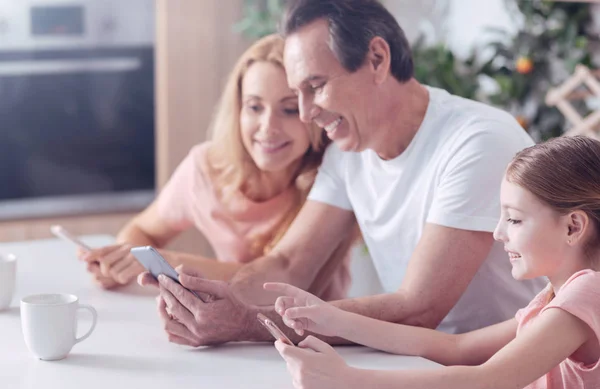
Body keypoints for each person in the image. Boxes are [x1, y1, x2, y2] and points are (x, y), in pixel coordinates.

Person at [140, 0, 545, 346]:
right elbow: (287, 263)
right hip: (414, 361)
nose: (305, 113)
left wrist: (247, 323)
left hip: (503, 371)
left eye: (315, 86)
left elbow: (419, 308)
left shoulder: (477, 141)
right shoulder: (350, 150)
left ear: (377, 59)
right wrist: (209, 302)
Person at [268, 135, 600, 389]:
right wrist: (331, 318)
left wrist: (345, 381)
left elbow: (484, 385)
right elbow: (455, 348)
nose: (498, 233)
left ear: (573, 227)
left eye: (513, 219)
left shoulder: (587, 293)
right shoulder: (554, 297)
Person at [79, 34, 354, 311]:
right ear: (237, 110)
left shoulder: (334, 176)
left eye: (289, 109)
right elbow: (142, 230)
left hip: (313, 339)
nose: (268, 127)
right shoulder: (206, 168)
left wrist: (167, 262)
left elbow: (282, 284)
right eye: (254, 107)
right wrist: (121, 263)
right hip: (228, 335)